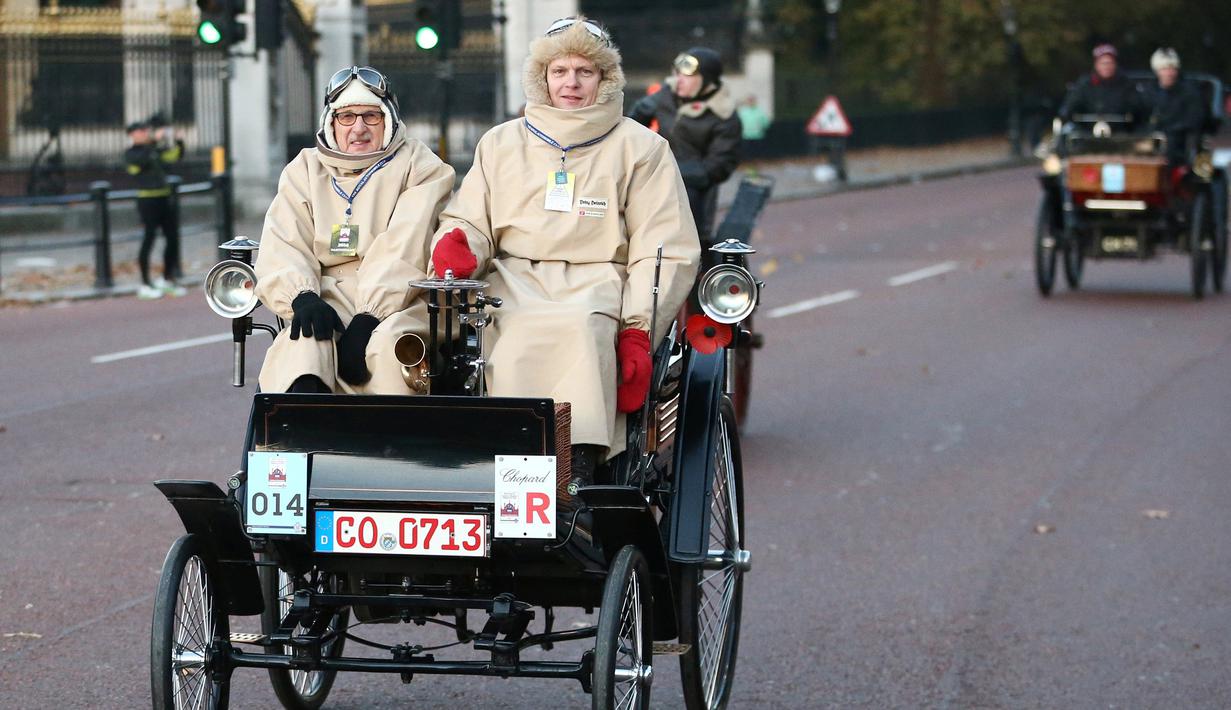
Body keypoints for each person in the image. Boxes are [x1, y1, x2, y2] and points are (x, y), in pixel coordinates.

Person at [428, 17, 700, 485]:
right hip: (513, 279)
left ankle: (572, 467)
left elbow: (663, 248)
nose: (570, 83)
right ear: (542, 78)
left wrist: (638, 330)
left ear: (605, 78)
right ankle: (509, 465)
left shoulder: (643, 148)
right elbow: (469, 218)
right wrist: (459, 246)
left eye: (584, 71)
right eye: (559, 71)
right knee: (504, 335)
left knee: (580, 329)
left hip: (598, 282)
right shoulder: (501, 142)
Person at [253, 66, 455, 395]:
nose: (358, 128)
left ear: (387, 119)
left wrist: (368, 317)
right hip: (326, 292)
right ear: (331, 122)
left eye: (370, 116)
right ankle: (302, 433)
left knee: (389, 351)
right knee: (303, 346)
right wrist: (302, 296)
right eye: (346, 116)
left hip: (402, 300)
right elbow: (283, 241)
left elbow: (407, 244)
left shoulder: (421, 166)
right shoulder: (304, 169)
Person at [628, 46, 742, 243]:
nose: (679, 80)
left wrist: (673, 173)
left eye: (688, 76)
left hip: (693, 190)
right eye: (678, 73)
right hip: (655, 176)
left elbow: (718, 167)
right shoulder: (667, 95)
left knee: (687, 234)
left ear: (707, 81)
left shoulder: (724, 115)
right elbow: (633, 124)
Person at [125, 118, 186, 299]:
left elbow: (175, 155)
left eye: (146, 130)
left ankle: (167, 278)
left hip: (164, 197)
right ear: (132, 135)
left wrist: (178, 140)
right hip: (147, 200)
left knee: (172, 238)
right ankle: (145, 282)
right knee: (148, 239)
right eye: (140, 131)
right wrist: (155, 141)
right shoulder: (131, 154)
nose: (145, 133)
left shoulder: (154, 151)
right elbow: (140, 164)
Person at [1057, 43, 1145, 125]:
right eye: (1103, 63)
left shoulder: (1126, 84)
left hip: (1120, 133)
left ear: (1115, 64)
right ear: (1096, 64)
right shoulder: (1085, 84)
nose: (1106, 67)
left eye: (1110, 63)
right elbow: (1070, 106)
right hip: (1086, 132)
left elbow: (1137, 109)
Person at [1146, 48, 1206, 166]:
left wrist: (1169, 132)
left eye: (1172, 68)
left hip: (1178, 145)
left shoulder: (1190, 93)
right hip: (1151, 143)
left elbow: (1195, 121)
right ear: (1157, 71)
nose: (1168, 73)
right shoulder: (1148, 92)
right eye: (1164, 69)